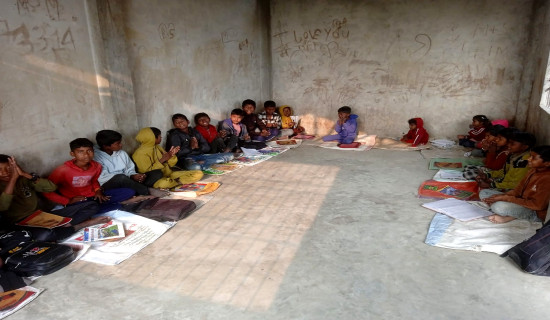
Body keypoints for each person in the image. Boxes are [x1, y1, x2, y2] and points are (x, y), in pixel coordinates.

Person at [0, 154, 110, 241]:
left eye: (9, 168)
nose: (4, 172)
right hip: (19, 222)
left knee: (92, 205)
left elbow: (51, 187)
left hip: (41, 216)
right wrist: (13, 179)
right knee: (44, 236)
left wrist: (24, 174)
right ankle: (79, 226)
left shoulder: (24, 179)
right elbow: (3, 206)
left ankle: (65, 226)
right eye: (0, 169)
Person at [43, 138, 135, 214]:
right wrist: (67, 201)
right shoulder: (62, 170)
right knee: (96, 207)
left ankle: (104, 206)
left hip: (94, 196)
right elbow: (46, 190)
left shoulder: (96, 166)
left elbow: (94, 181)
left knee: (129, 192)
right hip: (77, 200)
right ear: (72, 154)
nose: (86, 155)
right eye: (80, 152)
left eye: (89, 151)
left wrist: (98, 191)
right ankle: (110, 206)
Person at [480, 145, 550, 223]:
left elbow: (538, 206)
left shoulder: (547, 178)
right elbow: (517, 191)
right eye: (530, 156)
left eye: (533, 158)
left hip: (534, 211)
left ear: (547, 163)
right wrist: (502, 196)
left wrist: (506, 198)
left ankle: (511, 216)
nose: (528, 159)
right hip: (521, 201)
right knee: (484, 193)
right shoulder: (532, 171)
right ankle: (508, 213)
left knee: (499, 207)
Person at [94, 130, 168, 197]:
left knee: (157, 173)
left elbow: (130, 168)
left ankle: (137, 190)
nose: (121, 145)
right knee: (121, 178)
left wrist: (134, 175)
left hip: (128, 180)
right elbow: (103, 177)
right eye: (118, 143)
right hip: (109, 183)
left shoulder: (122, 153)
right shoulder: (96, 157)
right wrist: (129, 177)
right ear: (106, 146)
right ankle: (147, 190)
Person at [132, 127, 203, 189]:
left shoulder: (157, 147)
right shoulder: (139, 154)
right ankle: (175, 182)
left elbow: (171, 164)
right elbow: (147, 172)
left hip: (169, 174)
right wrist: (163, 159)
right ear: (152, 138)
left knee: (199, 173)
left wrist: (172, 155)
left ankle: (175, 182)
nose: (161, 138)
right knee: (164, 183)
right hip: (156, 179)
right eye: (159, 136)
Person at [166, 114, 233, 170]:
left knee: (230, 155)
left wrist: (198, 147)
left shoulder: (194, 132)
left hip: (201, 156)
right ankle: (204, 164)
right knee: (195, 167)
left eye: (182, 121)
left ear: (188, 121)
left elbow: (207, 148)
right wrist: (191, 147)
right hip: (187, 158)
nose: (180, 123)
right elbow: (176, 153)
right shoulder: (174, 135)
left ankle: (203, 163)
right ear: (174, 125)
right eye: (177, 122)